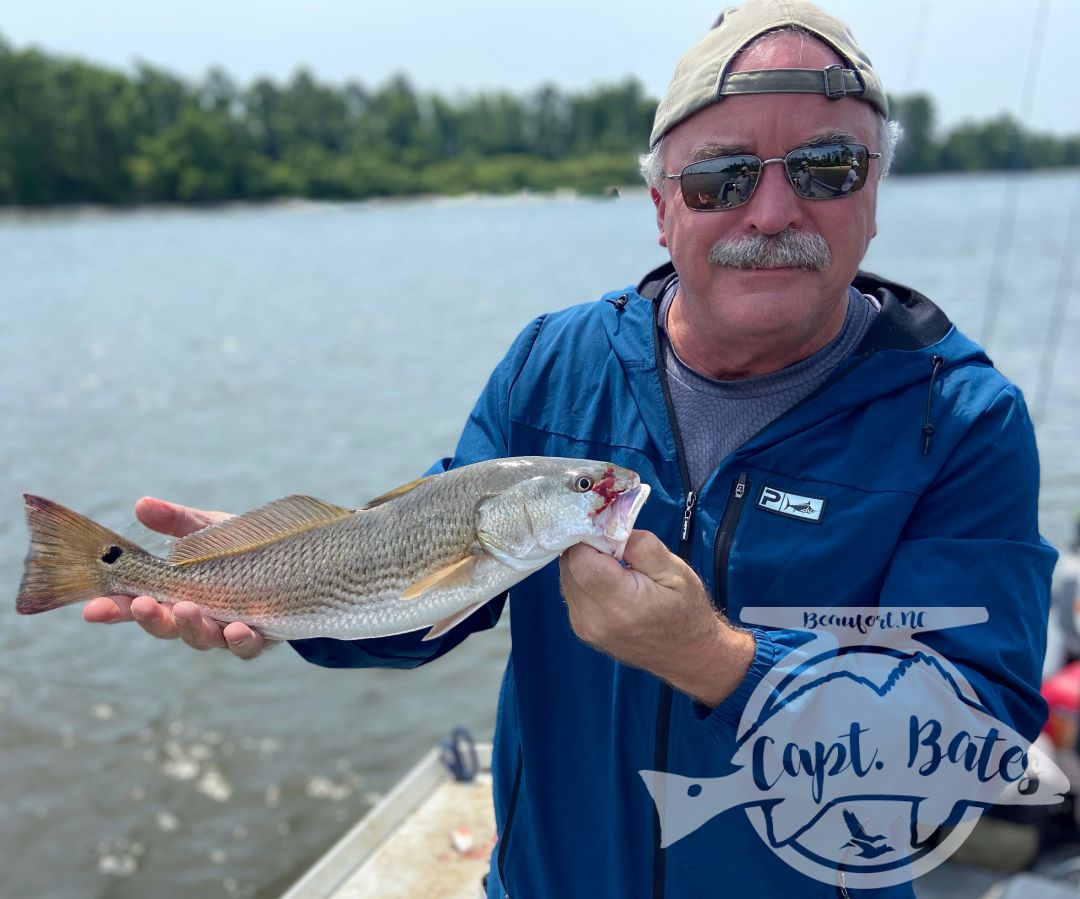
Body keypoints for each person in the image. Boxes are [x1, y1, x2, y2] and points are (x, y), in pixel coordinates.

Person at [83, 1, 1056, 896]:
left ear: (876, 190)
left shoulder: (961, 423)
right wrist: (270, 584)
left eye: (826, 167)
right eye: (721, 176)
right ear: (662, 207)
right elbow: (424, 586)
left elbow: (961, 747)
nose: (771, 212)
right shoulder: (556, 362)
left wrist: (719, 660)